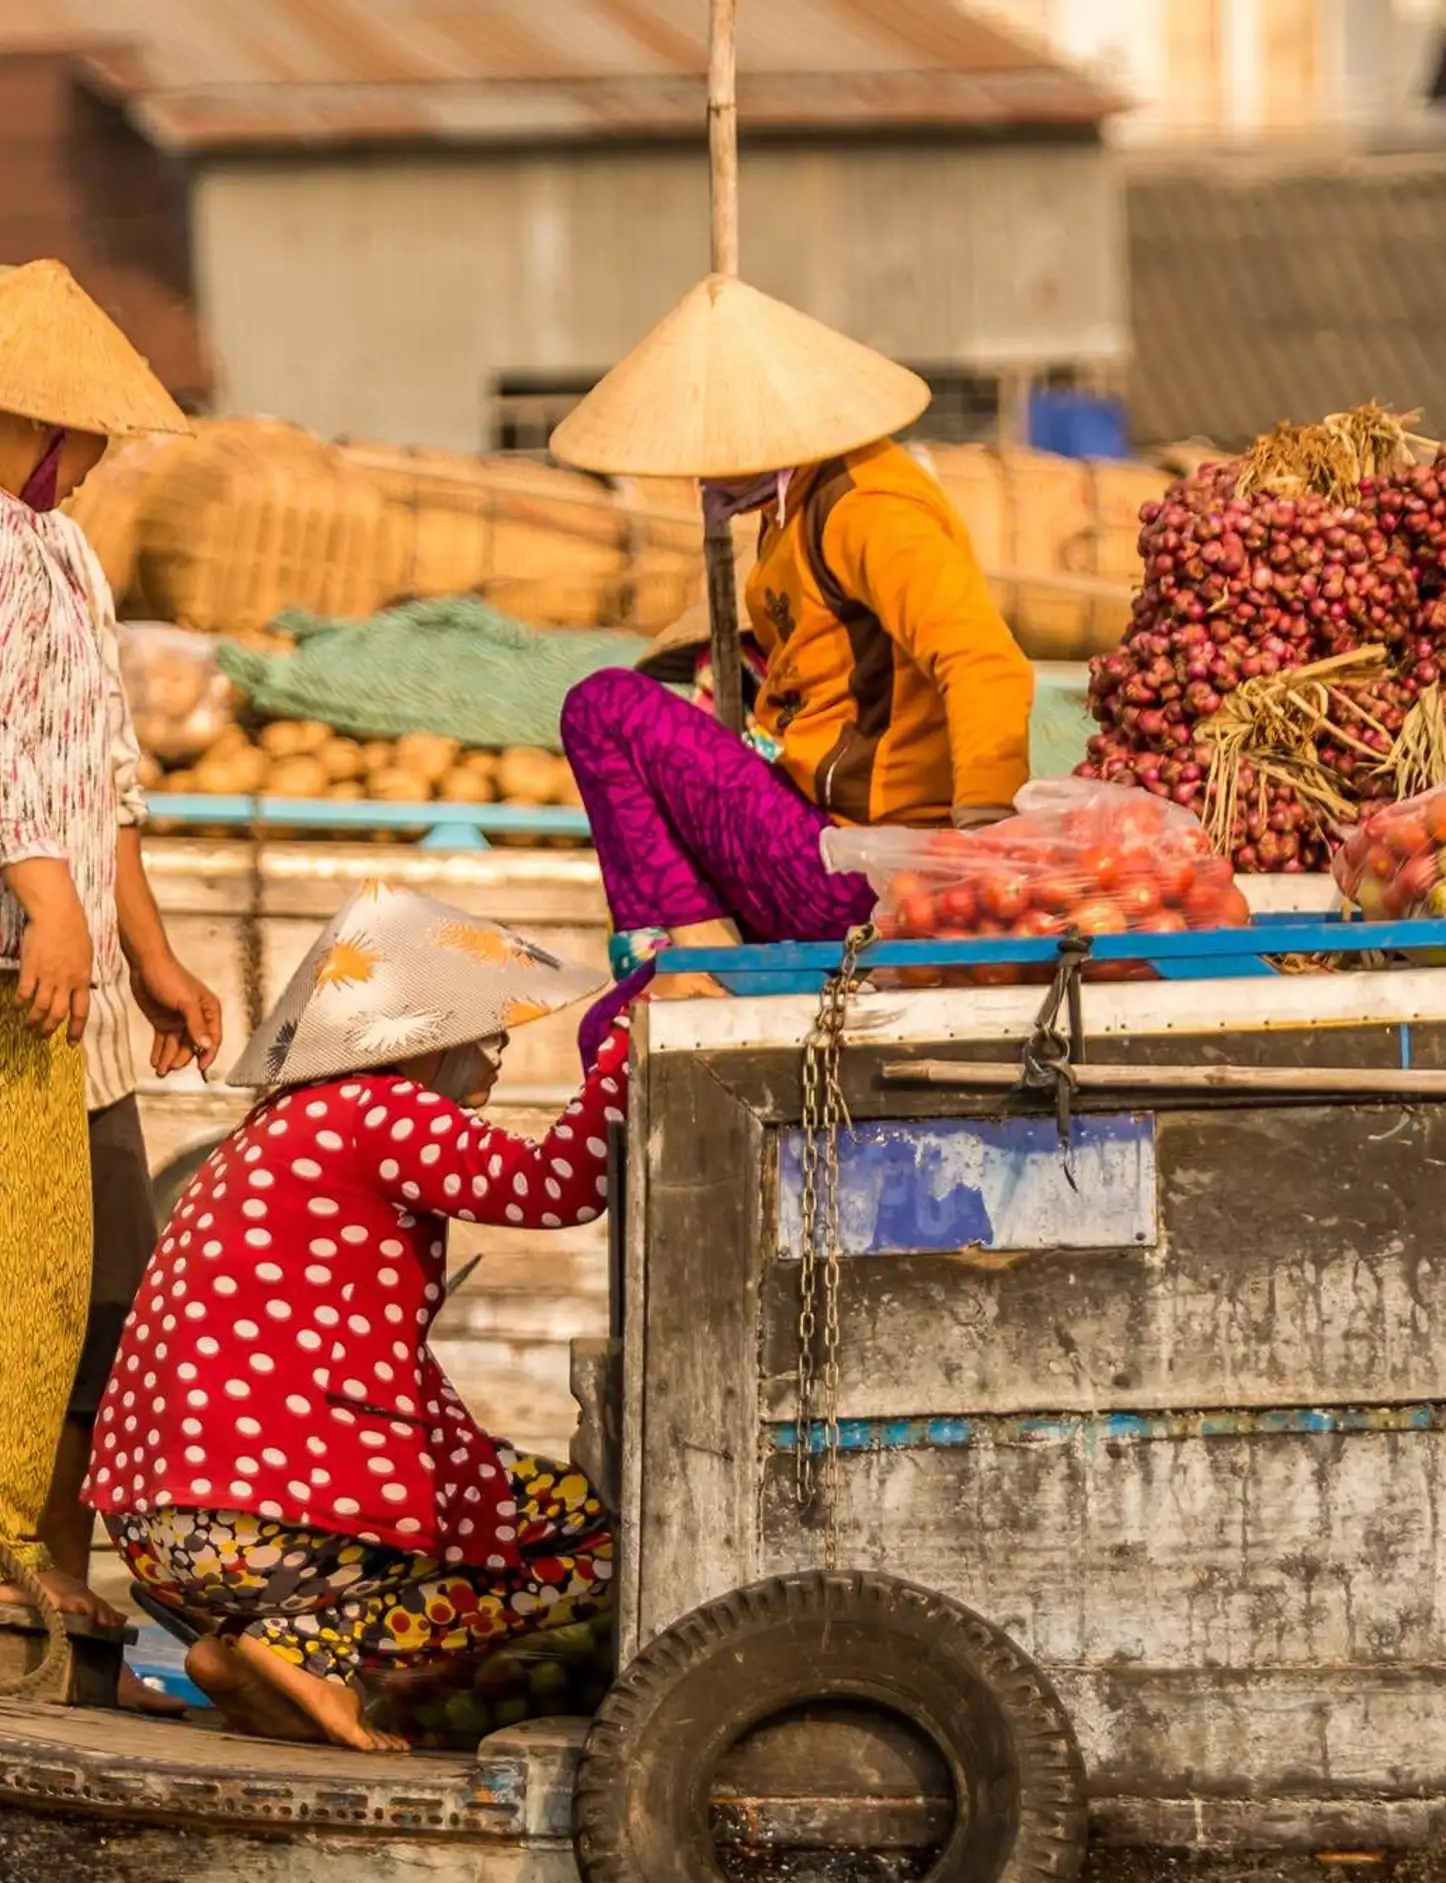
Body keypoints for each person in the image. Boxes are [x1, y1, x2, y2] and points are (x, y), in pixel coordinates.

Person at [83, 880, 625, 1753]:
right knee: (584, 1538)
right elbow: (559, 1188)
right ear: (419, 1041)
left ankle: (258, 1661)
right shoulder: (381, 1111)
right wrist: (630, 1055)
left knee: (489, 1492)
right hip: (252, 1521)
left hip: (161, 1525)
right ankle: (300, 1650)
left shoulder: (280, 1124)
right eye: (484, 1036)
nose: (493, 1060)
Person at [550, 275, 1034, 1045]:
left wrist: (982, 852)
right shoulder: (794, 508)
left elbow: (985, 662)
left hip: (857, 873)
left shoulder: (868, 507)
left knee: (604, 708)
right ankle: (682, 964)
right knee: (608, 1032)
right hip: (817, 838)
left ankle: (689, 960)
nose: (693, 473)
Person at [0, 258, 192, 1625]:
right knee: (25, 1267)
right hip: (18, 953)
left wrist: (149, 948)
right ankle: (15, 1558)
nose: (94, 464)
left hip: (82, 984)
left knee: (96, 1285)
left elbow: (98, 771)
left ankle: (52, 1566)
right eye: (81, 440)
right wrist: (47, 900)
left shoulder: (62, 551)